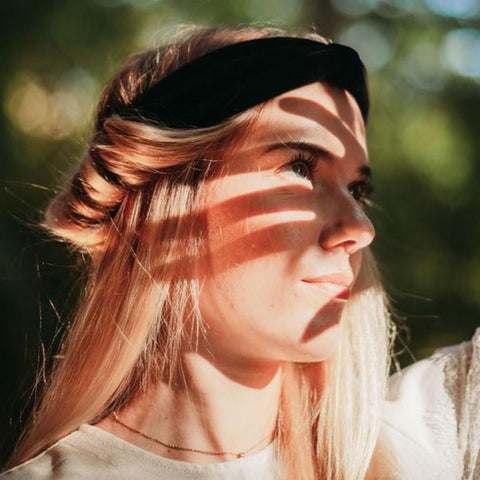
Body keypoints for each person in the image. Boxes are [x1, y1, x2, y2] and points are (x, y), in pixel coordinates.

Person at [1, 25, 479, 480]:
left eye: (357, 190)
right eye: (299, 167)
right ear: (153, 210)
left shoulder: (436, 436)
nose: (359, 227)